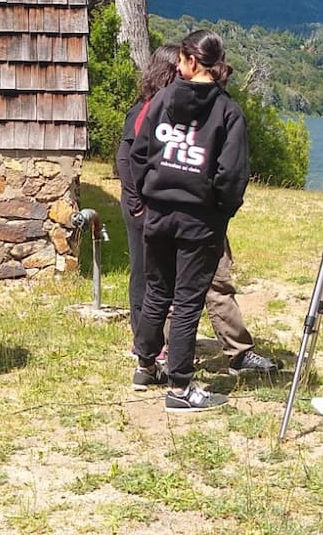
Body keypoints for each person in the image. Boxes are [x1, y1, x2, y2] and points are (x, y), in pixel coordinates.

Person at [116, 46, 279, 376]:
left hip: (172, 212)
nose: (179, 68)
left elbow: (142, 158)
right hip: (182, 215)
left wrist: (156, 197)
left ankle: (151, 363)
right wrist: (142, 203)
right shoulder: (188, 107)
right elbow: (131, 157)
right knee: (179, 296)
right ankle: (176, 379)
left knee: (180, 290)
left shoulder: (187, 106)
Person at [129, 29, 249, 411]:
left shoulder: (162, 99)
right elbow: (232, 174)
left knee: (157, 291)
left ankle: (146, 364)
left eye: (181, 61)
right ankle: (180, 387)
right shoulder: (228, 111)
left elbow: (139, 152)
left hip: (159, 212)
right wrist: (221, 210)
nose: (178, 67)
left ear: (191, 61)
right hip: (199, 218)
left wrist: (147, 192)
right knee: (186, 301)